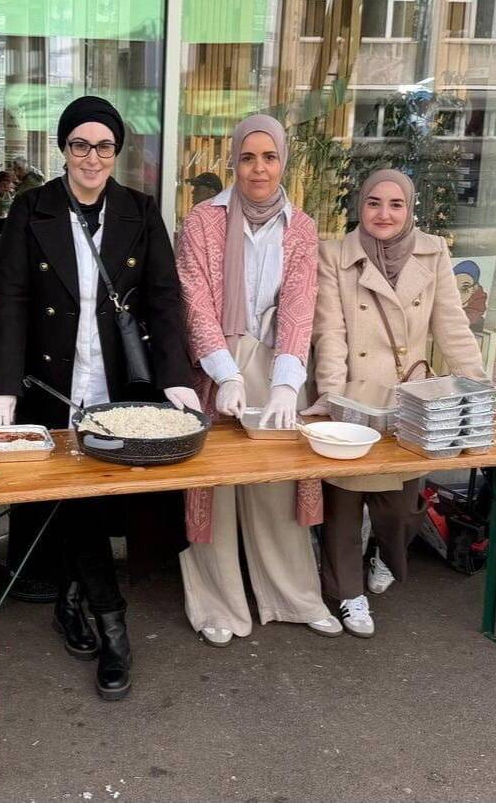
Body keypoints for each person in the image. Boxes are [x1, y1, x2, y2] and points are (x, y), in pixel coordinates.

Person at [0, 96, 199, 701]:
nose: (92, 157)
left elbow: (163, 298)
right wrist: (2, 382)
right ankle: (112, 624)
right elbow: (14, 301)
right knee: (75, 499)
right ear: (63, 150)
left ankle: (75, 601)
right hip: (51, 385)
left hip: (119, 389)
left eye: (104, 146)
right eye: (80, 144)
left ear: (116, 152)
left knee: (97, 503)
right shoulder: (31, 210)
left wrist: (176, 374)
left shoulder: (139, 210)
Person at [175, 114, 342, 647]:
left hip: (277, 363)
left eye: (269, 157)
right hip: (216, 361)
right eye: (248, 157)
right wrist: (222, 373)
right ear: (233, 161)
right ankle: (220, 607)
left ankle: (293, 598)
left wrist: (289, 385)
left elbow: (299, 305)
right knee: (216, 486)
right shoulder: (203, 220)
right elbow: (194, 300)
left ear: (284, 161)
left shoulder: (302, 226)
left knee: (279, 484)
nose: (259, 168)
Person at [307, 168, 486, 638]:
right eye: (373, 203)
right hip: (354, 399)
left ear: (410, 209)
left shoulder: (433, 252)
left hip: (409, 403)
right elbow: (330, 332)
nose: (383, 214)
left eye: (395, 204)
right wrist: (330, 395)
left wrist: (480, 388)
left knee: (401, 508)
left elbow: (451, 325)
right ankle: (348, 595)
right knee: (343, 510)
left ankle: (385, 555)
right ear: (360, 206)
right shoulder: (334, 255)